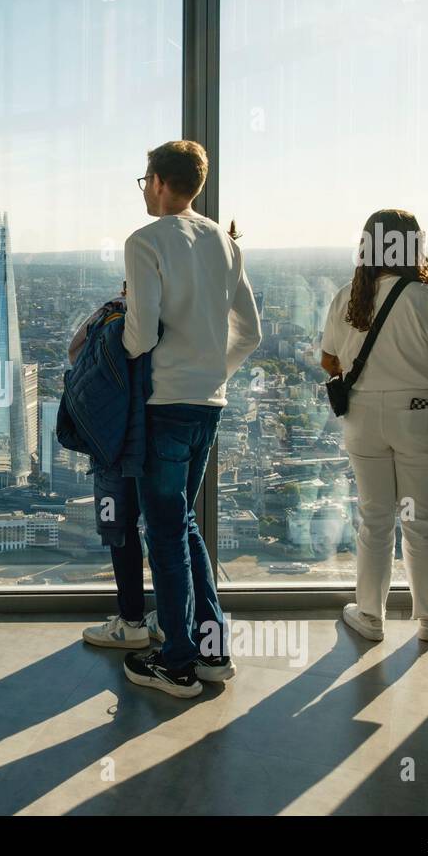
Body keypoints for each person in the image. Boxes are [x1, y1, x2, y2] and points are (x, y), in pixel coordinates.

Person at [120, 140, 262, 698]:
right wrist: (211, 372)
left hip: (164, 406)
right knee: (185, 524)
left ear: (156, 180)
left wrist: (122, 339)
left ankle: (177, 661)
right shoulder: (225, 244)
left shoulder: (145, 242)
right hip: (210, 403)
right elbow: (249, 333)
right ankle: (212, 648)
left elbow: (142, 335)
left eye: (144, 181)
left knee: (164, 530)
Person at [320, 209, 428, 646]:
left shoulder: (348, 296)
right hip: (419, 414)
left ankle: (369, 614)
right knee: (418, 519)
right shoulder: (427, 297)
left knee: (374, 518)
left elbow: (328, 361)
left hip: (363, 417)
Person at [71, 285, 164, 650]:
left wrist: (111, 304)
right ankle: (171, 619)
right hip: (162, 434)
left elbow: (74, 352)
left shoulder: (114, 317)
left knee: (122, 532)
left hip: (116, 441)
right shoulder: (177, 317)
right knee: (168, 528)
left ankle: (131, 621)